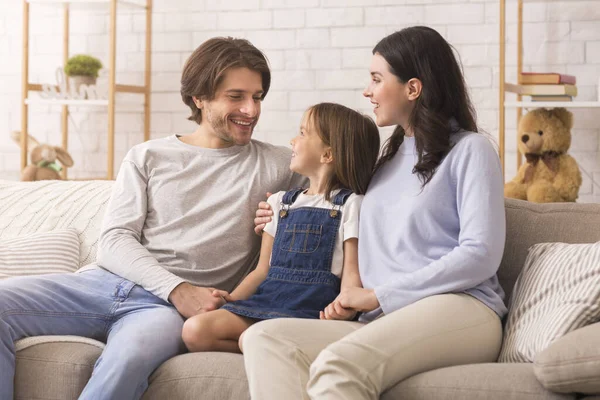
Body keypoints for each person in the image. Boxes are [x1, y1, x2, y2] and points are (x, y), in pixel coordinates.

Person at [0, 37, 305, 400]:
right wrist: (178, 289)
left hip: (160, 313)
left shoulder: (279, 165)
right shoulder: (148, 156)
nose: (251, 110)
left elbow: (341, 183)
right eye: (235, 96)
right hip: (102, 284)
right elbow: (114, 241)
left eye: (257, 97)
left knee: (129, 357)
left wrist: (292, 211)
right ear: (199, 98)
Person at [245, 26, 507, 400]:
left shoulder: (471, 151)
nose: (367, 91)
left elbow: (480, 255)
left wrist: (379, 295)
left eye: (376, 79)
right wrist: (275, 220)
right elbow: (335, 213)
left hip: (462, 310)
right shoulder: (386, 160)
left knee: (338, 365)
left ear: (412, 89)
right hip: (382, 318)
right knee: (264, 338)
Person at [181, 102, 381, 354]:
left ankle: (268, 345)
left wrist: (344, 306)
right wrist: (231, 299)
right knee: (195, 330)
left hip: (311, 311)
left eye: (302, 133)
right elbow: (261, 271)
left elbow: (351, 273)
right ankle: (272, 348)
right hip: (267, 300)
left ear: (327, 155)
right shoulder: (280, 202)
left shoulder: (351, 205)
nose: (292, 140)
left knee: (252, 337)